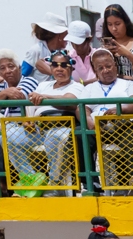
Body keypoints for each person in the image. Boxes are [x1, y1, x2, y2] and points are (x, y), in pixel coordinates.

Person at [7, 51, 87, 192]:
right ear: (51, 68)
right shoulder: (44, 85)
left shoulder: (76, 86)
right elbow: (31, 105)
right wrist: (27, 121)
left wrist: (44, 97)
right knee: (9, 133)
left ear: (71, 68)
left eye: (64, 65)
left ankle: (54, 185)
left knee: (56, 136)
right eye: (55, 65)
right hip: (38, 129)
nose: (59, 69)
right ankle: (31, 180)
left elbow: (69, 101)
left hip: (61, 127)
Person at [99, 3, 133, 83]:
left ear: (125, 22)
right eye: (110, 24)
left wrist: (127, 54)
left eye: (117, 24)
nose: (114, 28)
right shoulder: (105, 45)